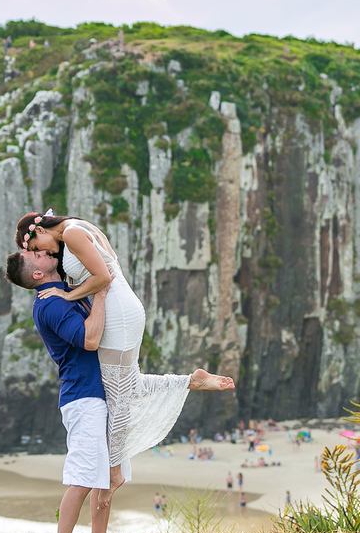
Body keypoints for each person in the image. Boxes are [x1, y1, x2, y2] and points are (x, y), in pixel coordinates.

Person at [16, 210, 234, 509]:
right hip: (127, 306)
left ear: (40, 230)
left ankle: (114, 470)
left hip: (117, 311)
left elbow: (103, 277)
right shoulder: (81, 226)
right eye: (36, 254)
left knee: (118, 392)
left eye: (37, 248)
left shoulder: (70, 234)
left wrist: (67, 296)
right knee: (128, 383)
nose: (43, 253)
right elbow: (109, 266)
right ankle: (189, 381)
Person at [4, 248, 134, 533]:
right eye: (33, 253)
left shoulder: (62, 290)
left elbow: (66, 241)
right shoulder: (49, 304)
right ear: (37, 274)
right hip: (83, 397)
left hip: (100, 392)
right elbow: (90, 340)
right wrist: (101, 294)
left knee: (106, 478)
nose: (40, 251)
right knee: (83, 478)